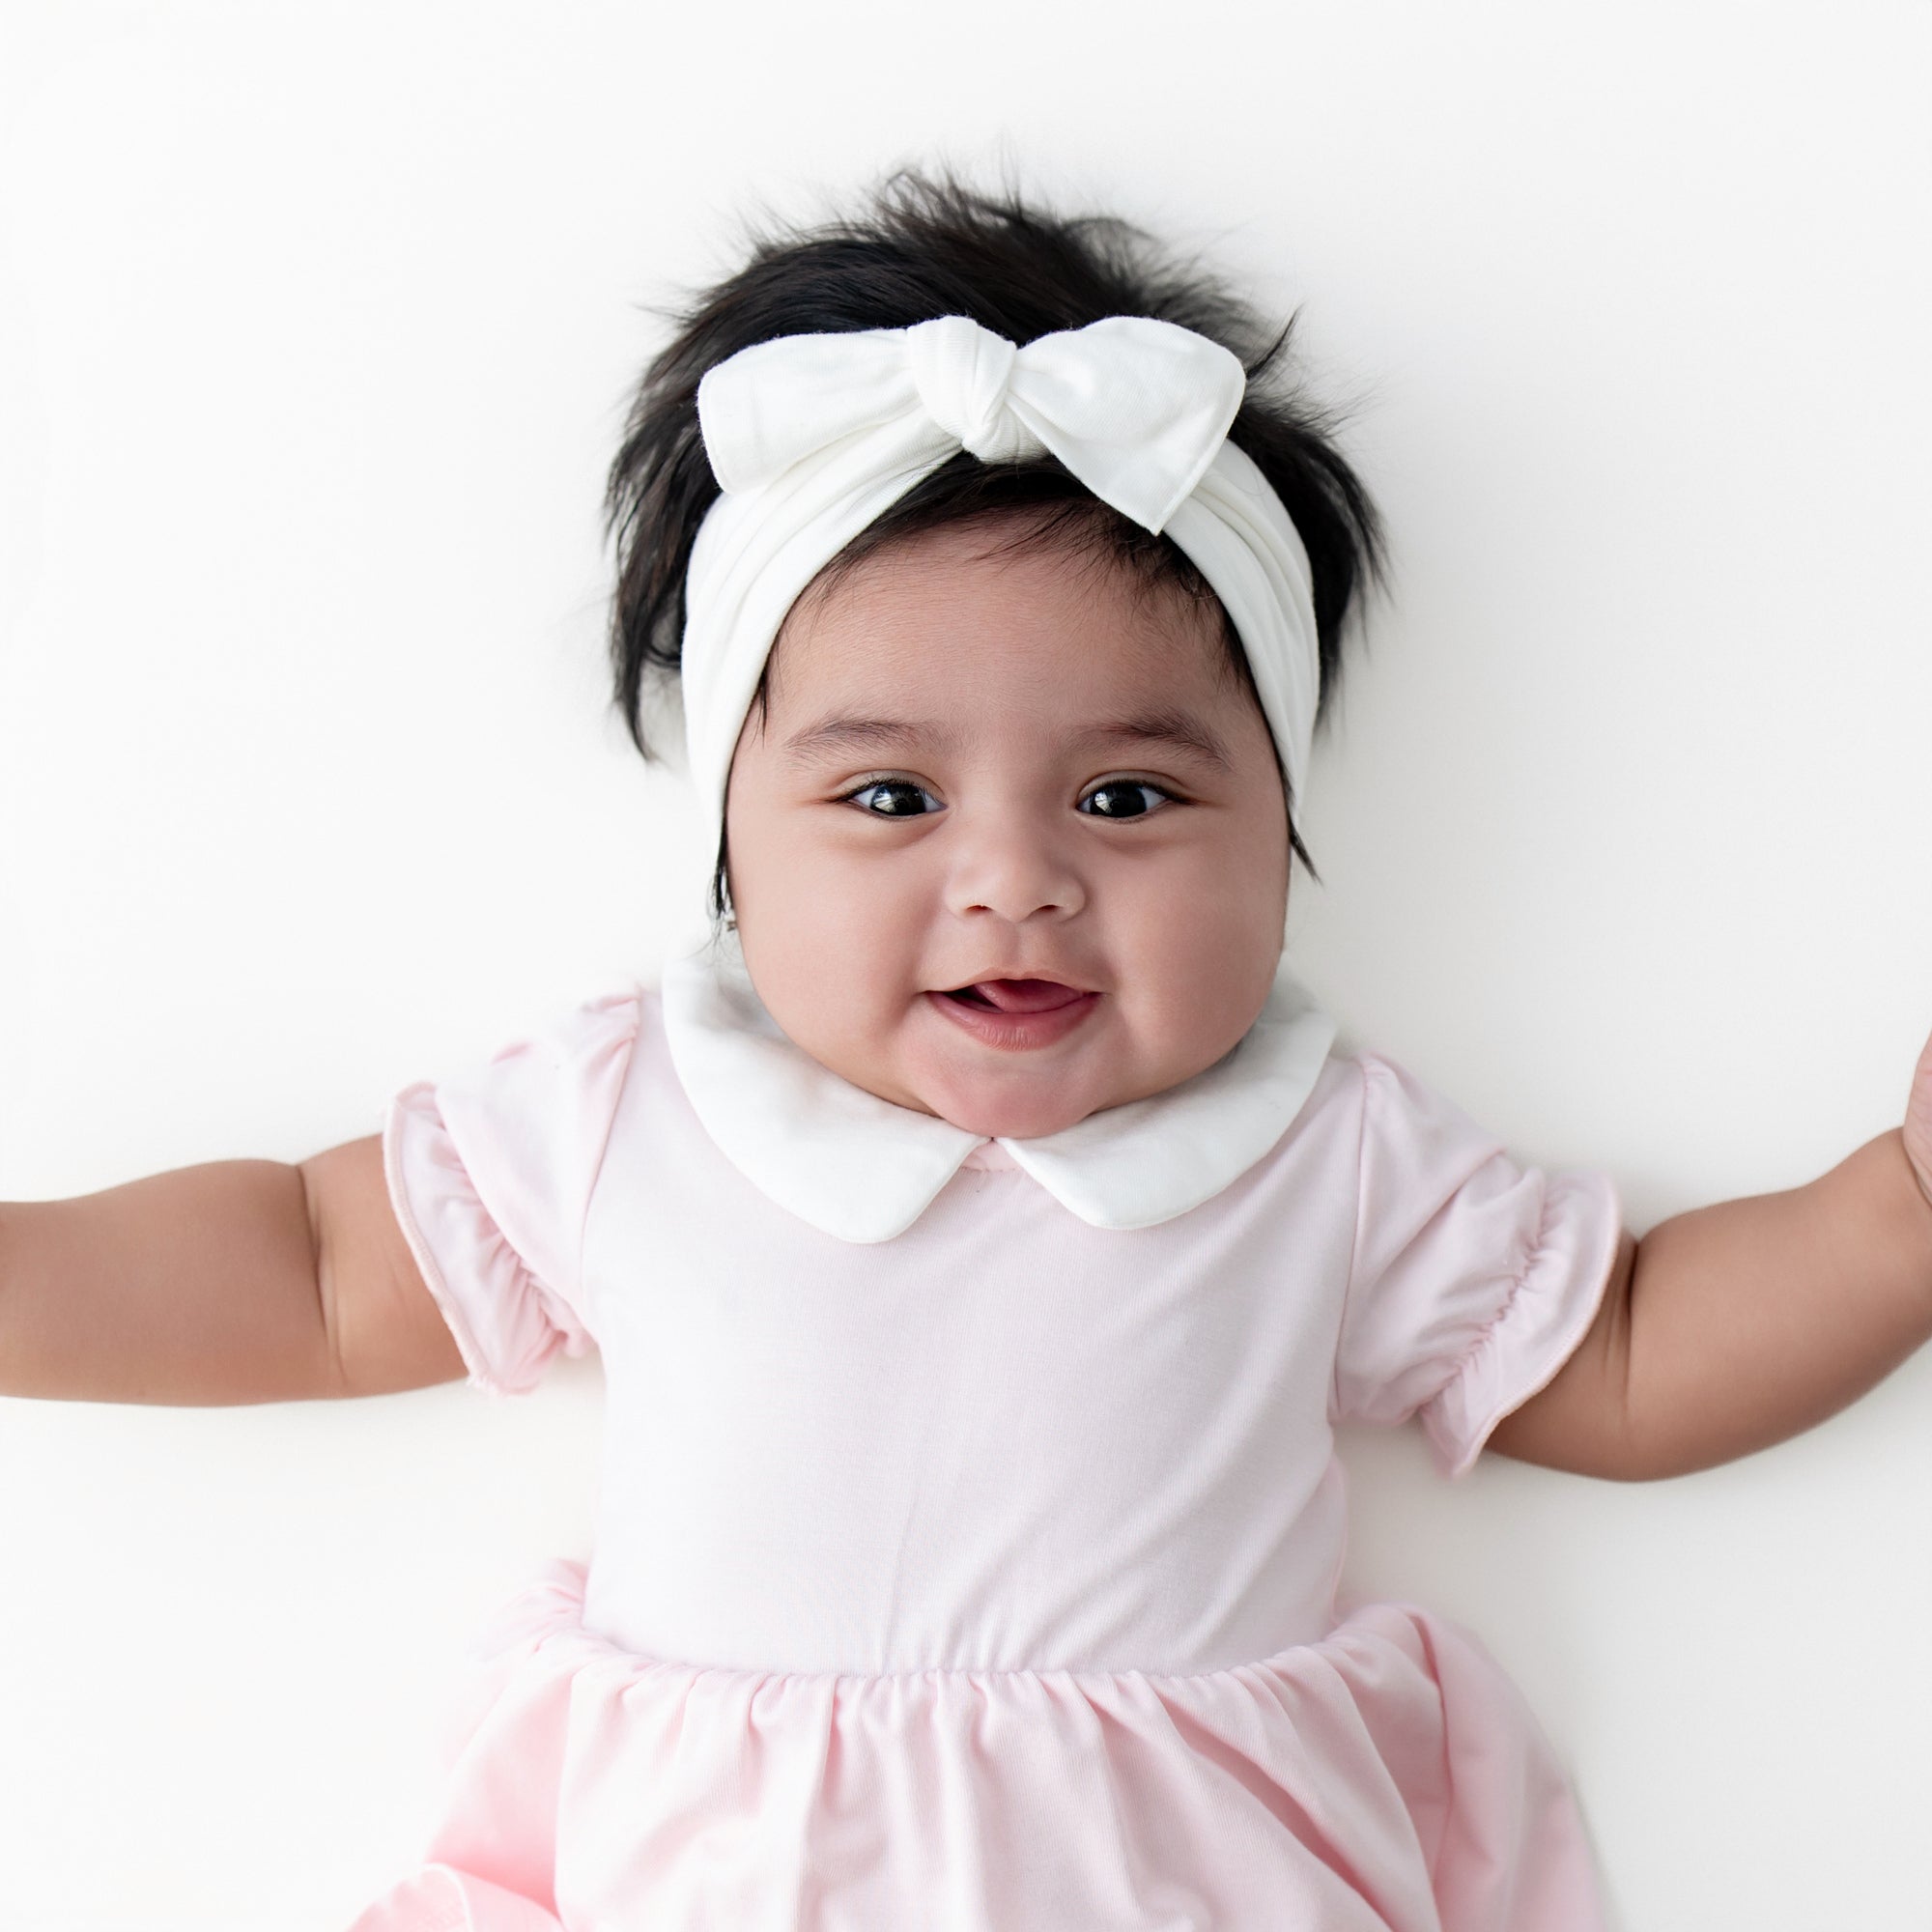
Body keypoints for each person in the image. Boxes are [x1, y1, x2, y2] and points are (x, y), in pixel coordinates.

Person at [5, 171, 1929, 1932]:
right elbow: (319, 1271)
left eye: (1123, 793)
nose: (1012, 883)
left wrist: (1896, 1210)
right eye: (890, 794)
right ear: (732, 841)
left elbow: (1624, 1354)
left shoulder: (1314, 1149)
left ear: (1281, 831)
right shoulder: (629, 1113)